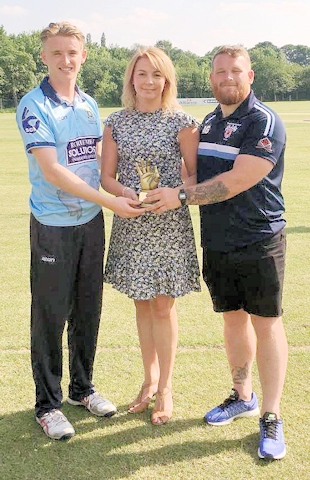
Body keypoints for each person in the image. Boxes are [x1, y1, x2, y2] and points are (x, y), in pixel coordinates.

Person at [146, 45, 288, 459]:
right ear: (211, 78)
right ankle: (242, 395)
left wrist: (180, 196)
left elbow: (240, 179)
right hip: (218, 241)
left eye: (236, 71)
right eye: (220, 71)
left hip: (259, 239)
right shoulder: (208, 121)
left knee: (266, 324)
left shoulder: (264, 121)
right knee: (232, 322)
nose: (228, 77)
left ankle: (271, 414)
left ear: (251, 75)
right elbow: (190, 168)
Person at [16, 21, 145, 441]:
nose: (65, 60)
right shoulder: (34, 105)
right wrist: (113, 204)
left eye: (72, 52)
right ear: (44, 57)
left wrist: (126, 193)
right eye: (56, 53)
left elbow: (97, 167)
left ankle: (81, 390)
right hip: (53, 226)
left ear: (83, 55)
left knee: (88, 309)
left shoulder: (90, 105)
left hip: (91, 223)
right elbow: (53, 171)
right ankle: (48, 404)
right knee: (51, 315)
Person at [101, 46, 201, 425]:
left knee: (163, 305)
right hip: (131, 221)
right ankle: (149, 379)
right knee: (142, 304)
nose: (148, 81)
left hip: (169, 224)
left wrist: (172, 197)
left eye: (156, 74)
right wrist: (125, 194)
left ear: (167, 80)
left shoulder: (183, 123)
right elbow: (106, 177)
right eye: (141, 74)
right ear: (131, 79)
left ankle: (167, 388)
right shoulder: (116, 123)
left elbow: (194, 179)